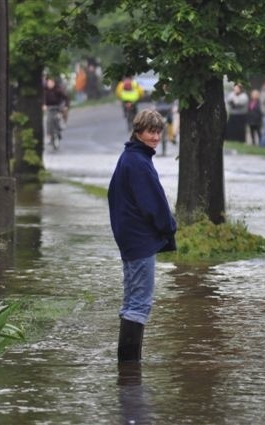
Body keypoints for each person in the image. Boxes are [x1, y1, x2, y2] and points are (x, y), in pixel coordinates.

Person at [108, 109, 177, 363]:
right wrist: (170, 227)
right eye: (151, 131)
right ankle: (129, 366)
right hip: (139, 241)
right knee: (139, 304)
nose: (156, 137)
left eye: (159, 132)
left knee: (131, 302)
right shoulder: (138, 163)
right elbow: (154, 205)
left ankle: (126, 371)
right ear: (138, 132)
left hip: (130, 239)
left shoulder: (131, 158)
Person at [43, 77, 70, 146]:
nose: (50, 84)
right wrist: (43, 105)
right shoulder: (45, 91)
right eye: (48, 82)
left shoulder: (58, 90)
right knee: (48, 121)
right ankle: (49, 136)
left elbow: (66, 98)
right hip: (49, 108)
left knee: (61, 115)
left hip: (58, 106)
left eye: (51, 82)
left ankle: (63, 123)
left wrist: (66, 106)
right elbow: (42, 100)